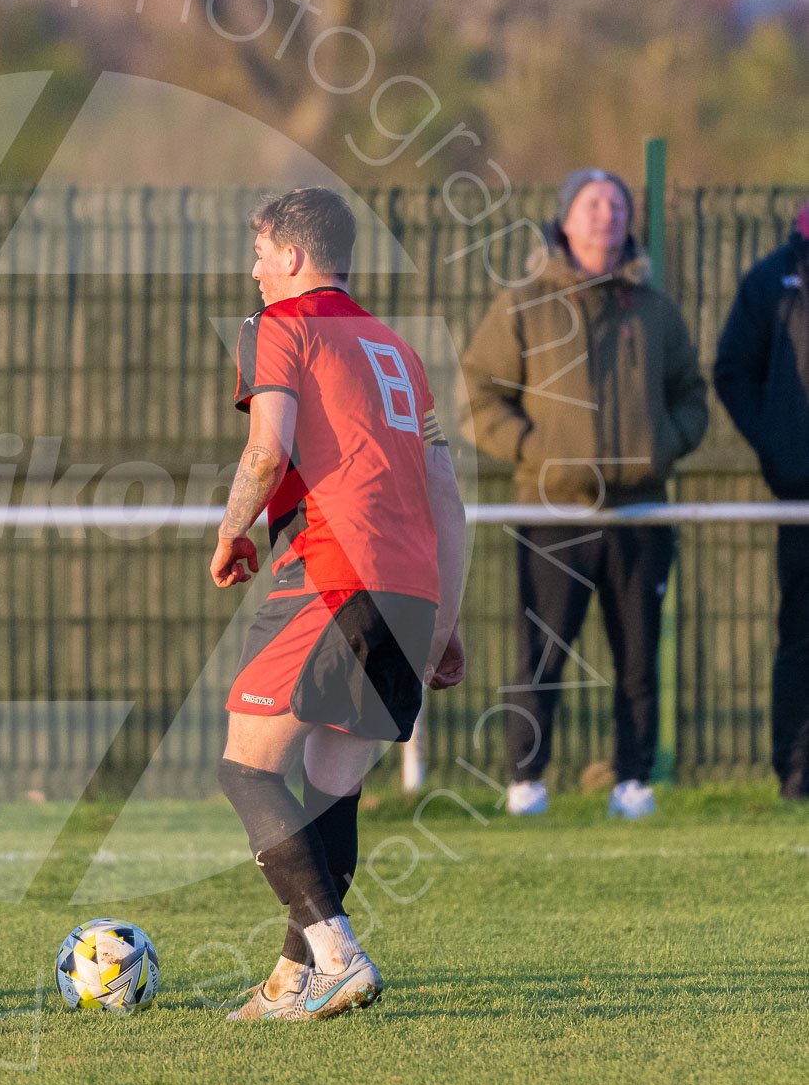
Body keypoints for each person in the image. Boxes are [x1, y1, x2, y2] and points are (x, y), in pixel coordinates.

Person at [212, 187, 467, 1022]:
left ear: (292, 255)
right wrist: (448, 618)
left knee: (246, 766)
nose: (252, 271)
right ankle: (294, 981)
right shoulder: (397, 347)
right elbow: (445, 490)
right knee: (331, 792)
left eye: (258, 253)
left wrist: (230, 531)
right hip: (412, 589)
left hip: (331, 572)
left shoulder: (279, 327)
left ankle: (339, 955)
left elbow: (266, 448)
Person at [461, 169, 708, 819]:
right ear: (565, 220)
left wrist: (664, 443)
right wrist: (536, 449)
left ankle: (633, 780)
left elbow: (692, 395)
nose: (608, 216)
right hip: (552, 510)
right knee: (541, 650)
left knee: (638, 655)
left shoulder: (654, 309)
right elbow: (479, 393)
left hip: (642, 512)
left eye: (618, 205)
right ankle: (526, 780)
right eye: (593, 204)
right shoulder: (524, 304)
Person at [713, 202, 809, 800]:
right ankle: (798, 775)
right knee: (801, 637)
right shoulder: (770, 279)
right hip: (801, 501)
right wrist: (782, 448)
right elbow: (731, 371)